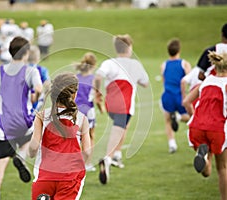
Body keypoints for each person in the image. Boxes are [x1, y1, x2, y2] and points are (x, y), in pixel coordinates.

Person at [0, 37, 42, 200]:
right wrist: (35, 97)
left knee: (2, 158)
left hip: (4, 123)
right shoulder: (30, 71)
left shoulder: (0, 71)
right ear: (26, 53)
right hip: (23, 121)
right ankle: (21, 157)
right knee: (35, 137)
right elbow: (38, 88)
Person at [94, 34, 149, 184]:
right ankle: (108, 158)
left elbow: (98, 76)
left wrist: (97, 92)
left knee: (123, 125)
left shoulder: (109, 63)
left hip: (110, 103)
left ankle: (117, 154)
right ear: (130, 48)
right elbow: (145, 83)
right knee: (118, 128)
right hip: (124, 103)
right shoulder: (135, 65)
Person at [28, 72, 91, 200]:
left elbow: (33, 147)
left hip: (45, 176)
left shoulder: (41, 116)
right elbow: (87, 152)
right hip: (70, 177)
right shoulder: (81, 119)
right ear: (73, 94)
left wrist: (31, 153)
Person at [187, 51, 227, 200]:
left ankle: (202, 157)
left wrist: (194, 117)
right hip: (217, 128)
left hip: (197, 126)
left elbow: (186, 102)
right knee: (222, 168)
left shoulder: (207, 80)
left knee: (207, 171)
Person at [160, 38, 191, 153]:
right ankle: (178, 117)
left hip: (167, 96)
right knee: (192, 117)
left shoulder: (164, 65)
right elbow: (190, 80)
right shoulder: (184, 64)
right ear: (179, 50)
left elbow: (164, 80)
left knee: (167, 120)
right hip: (180, 95)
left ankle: (172, 144)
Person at [75, 52, 99, 172]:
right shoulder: (94, 79)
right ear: (94, 65)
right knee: (89, 137)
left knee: (76, 138)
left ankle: (75, 163)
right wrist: (101, 107)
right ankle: (87, 163)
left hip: (75, 111)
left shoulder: (75, 77)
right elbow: (96, 97)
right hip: (88, 111)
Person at [28, 45, 50, 112]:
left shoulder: (22, 69)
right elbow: (47, 84)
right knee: (35, 114)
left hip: (25, 95)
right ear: (38, 58)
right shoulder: (42, 70)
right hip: (38, 95)